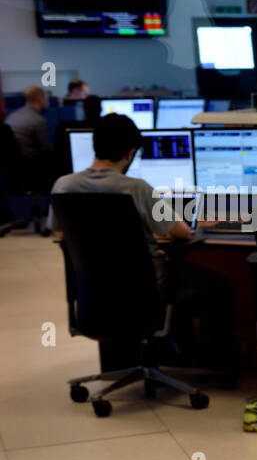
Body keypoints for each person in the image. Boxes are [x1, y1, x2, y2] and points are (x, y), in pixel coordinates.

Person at [48, 114, 239, 382]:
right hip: (146, 289)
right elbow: (181, 233)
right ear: (130, 153)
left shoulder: (63, 186)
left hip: (94, 294)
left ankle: (176, 352)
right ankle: (215, 365)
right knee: (217, 285)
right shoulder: (138, 189)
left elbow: (59, 232)